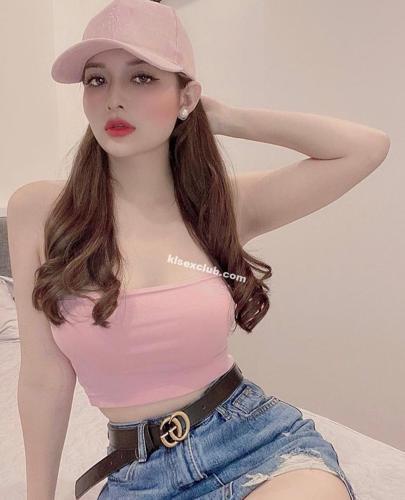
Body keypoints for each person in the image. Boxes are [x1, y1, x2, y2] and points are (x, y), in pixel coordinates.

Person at [10, 0, 390, 498]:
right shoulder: (41, 211)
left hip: (253, 441)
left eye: (142, 77)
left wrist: (229, 118)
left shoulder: (221, 205)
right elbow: (43, 377)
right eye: (97, 79)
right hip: (138, 471)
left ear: (186, 94)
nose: (113, 99)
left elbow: (365, 148)